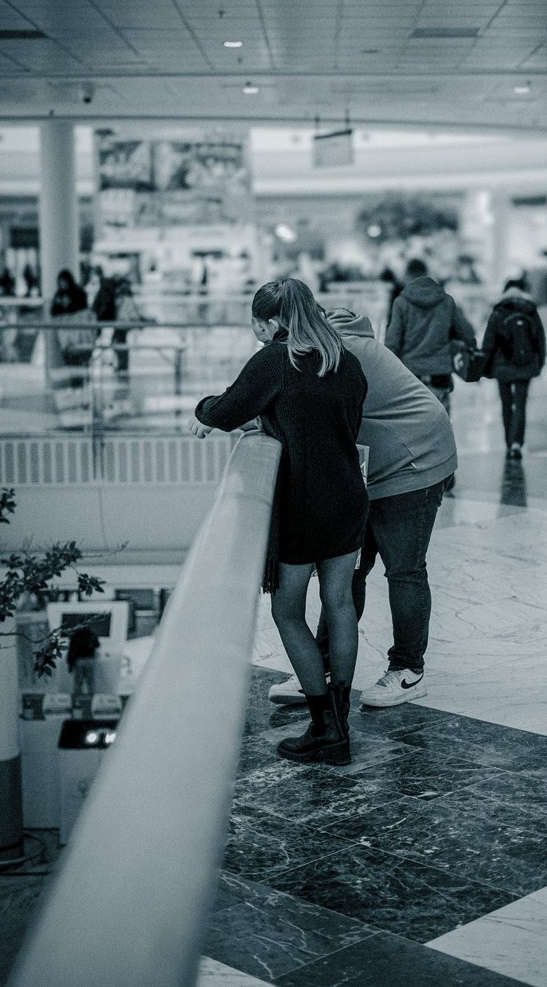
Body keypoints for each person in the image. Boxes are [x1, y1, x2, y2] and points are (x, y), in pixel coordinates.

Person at [189, 278, 368, 765]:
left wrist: (202, 410)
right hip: (349, 498)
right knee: (338, 605)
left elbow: (225, 411)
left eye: (258, 323)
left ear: (272, 322)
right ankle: (342, 717)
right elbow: (331, 424)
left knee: (287, 611)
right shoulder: (344, 360)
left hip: (303, 506)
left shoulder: (277, 359)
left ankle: (324, 726)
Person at [269, 306, 457, 710]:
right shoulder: (323, 345)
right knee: (348, 568)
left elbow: (298, 407)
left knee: (403, 569)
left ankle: (408, 671)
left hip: (415, 461)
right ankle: (321, 665)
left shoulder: (335, 352)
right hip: (370, 471)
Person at [385, 257, 475, 416]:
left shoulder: (401, 303)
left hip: (411, 374)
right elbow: (467, 333)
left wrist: (386, 372)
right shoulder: (447, 301)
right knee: (441, 424)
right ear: (427, 274)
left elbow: (392, 343)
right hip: (440, 373)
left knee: (413, 423)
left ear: (407, 275)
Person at [479, 277, 547, 460]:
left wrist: (483, 367)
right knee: (521, 404)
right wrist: (540, 362)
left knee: (507, 404)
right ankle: (517, 443)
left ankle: (510, 442)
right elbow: (539, 338)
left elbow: (488, 343)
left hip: (502, 368)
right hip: (525, 365)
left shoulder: (498, 311)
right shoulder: (530, 310)